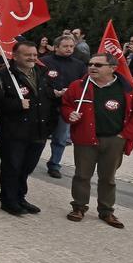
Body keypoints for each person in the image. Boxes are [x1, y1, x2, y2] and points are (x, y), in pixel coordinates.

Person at [62, 53, 133, 229]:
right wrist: (69, 113)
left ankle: (106, 210)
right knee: (82, 175)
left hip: (115, 139)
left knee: (108, 177)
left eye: (98, 65)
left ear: (113, 68)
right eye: (90, 64)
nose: (92, 67)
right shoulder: (78, 86)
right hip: (85, 138)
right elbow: (66, 104)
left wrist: (125, 135)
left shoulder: (128, 87)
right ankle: (78, 207)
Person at [0, 41, 59, 216]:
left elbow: (48, 97)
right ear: (15, 56)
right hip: (13, 131)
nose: (32, 58)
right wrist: (17, 104)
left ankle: (20, 197)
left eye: (35, 55)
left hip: (38, 130)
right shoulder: (3, 74)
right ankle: (9, 200)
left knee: (27, 167)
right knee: (12, 166)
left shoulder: (42, 73)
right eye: (28, 55)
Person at [41, 35, 87, 178]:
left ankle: (55, 164)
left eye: (71, 46)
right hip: (46, 105)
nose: (69, 49)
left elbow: (83, 84)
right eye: (65, 46)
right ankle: (31, 159)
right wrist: (53, 92)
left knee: (60, 138)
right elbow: (38, 82)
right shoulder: (44, 62)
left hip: (66, 107)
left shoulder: (79, 65)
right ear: (56, 47)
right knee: (39, 136)